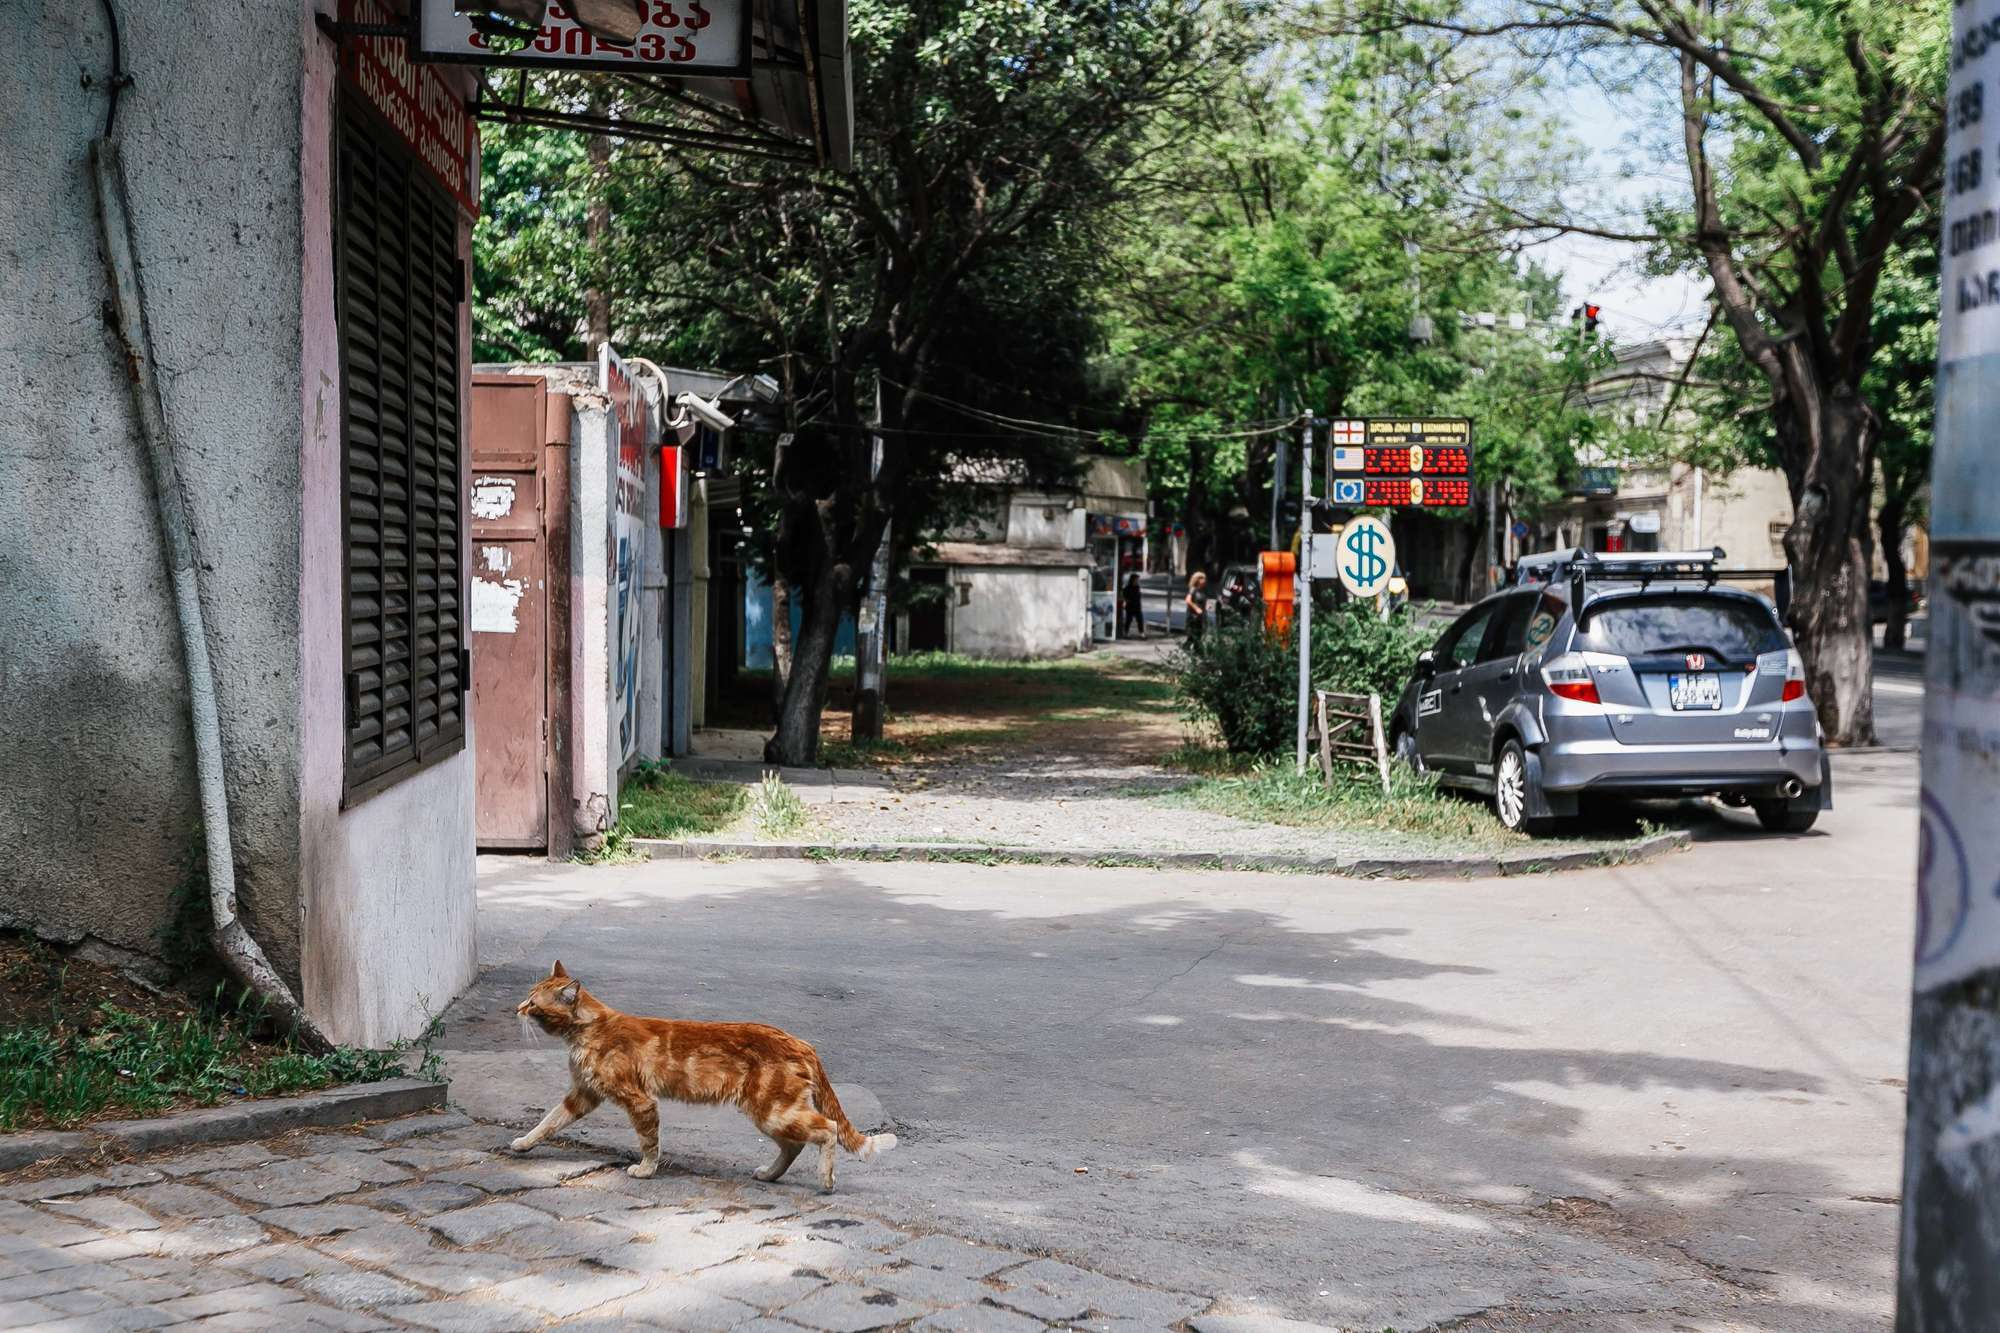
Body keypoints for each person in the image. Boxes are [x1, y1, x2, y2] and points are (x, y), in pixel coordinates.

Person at [1183, 571, 1210, 644]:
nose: (1205, 581)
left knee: (1198, 637)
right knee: (1192, 638)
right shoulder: (1193, 590)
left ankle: (1195, 651)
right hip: (1193, 618)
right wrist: (1196, 608)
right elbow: (1188, 600)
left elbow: (1204, 600)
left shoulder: (1203, 590)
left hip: (1200, 618)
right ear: (1198, 580)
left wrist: (1207, 605)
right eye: (1203, 579)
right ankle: (1188, 650)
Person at [1119, 571, 1146, 639]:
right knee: (1129, 620)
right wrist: (1126, 601)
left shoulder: (1137, 587)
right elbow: (1124, 596)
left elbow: (1138, 596)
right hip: (1130, 606)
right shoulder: (1127, 588)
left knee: (1140, 620)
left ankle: (1141, 633)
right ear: (1132, 580)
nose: (1137, 581)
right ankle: (1126, 633)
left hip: (1137, 606)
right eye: (1136, 579)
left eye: (1138, 580)